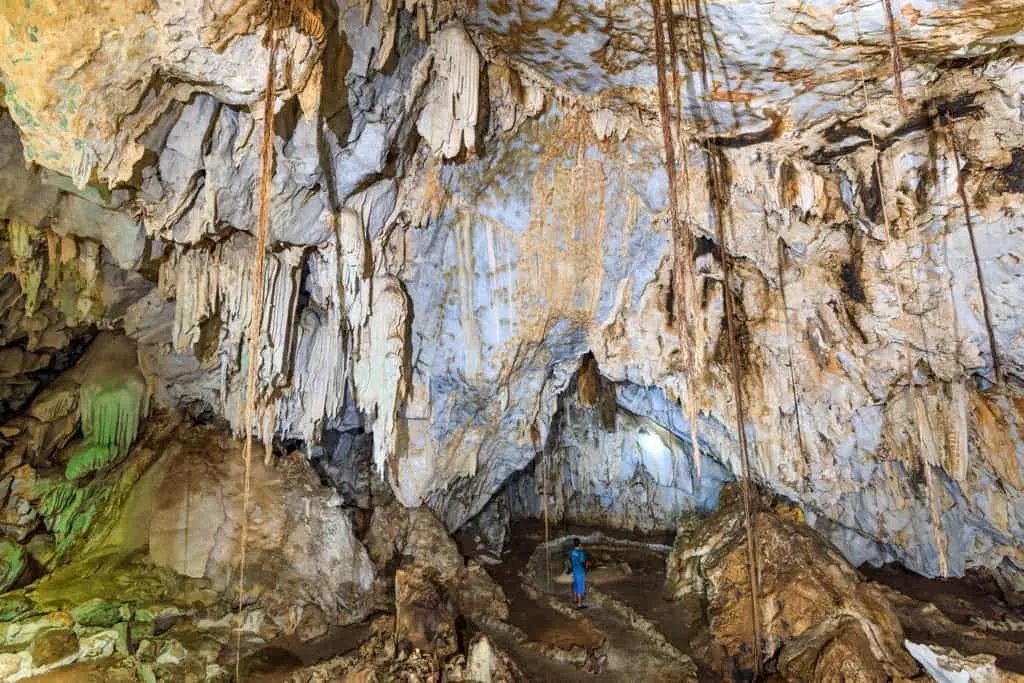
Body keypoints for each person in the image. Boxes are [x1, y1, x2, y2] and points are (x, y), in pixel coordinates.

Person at [569, 538, 587, 608]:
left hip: (574, 571)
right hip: (580, 572)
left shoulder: (572, 551)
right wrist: (585, 567)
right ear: (579, 544)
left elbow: (570, 559)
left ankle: (575, 599)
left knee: (575, 585)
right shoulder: (581, 552)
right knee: (580, 588)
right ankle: (579, 604)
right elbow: (582, 562)